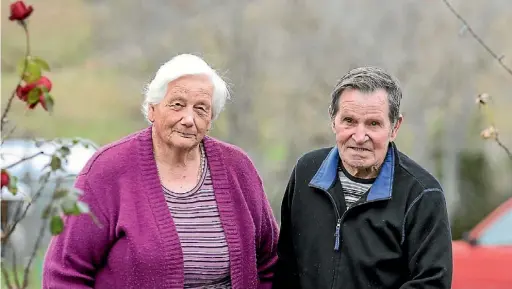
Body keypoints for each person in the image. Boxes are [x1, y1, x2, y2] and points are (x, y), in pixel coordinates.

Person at [42, 54, 279, 289]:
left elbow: (271, 262)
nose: (188, 118)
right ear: (152, 109)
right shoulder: (108, 170)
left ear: (210, 120)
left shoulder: (237, 168)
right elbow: (64, 273)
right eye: (177, 104)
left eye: (201, 109)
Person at [272, 66, 453, 289]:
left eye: (373, 124)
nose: (359, 137)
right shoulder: (306, 172)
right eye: (349, 120)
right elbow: (286, 268)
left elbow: (431, 284)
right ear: (333, 121)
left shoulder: (422, 194)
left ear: (395, 127)